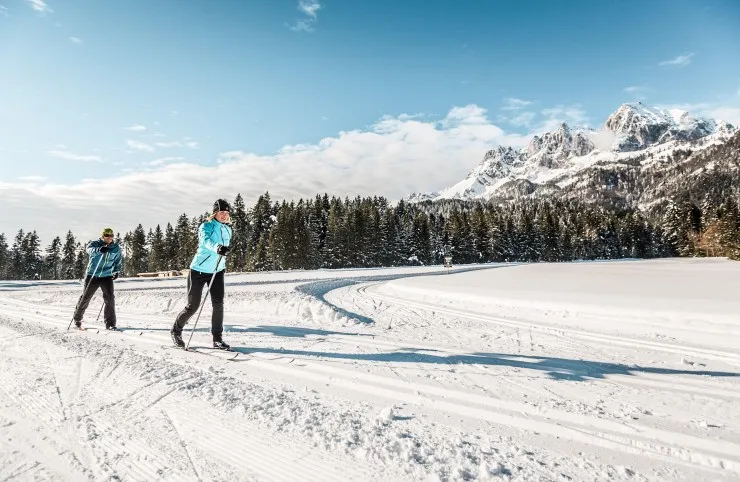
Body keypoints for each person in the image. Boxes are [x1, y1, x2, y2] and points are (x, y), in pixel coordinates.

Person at [171, 199, 233, 349]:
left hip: (217, 271)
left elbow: (223, 251)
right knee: (193, 306)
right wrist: (217, 247)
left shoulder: (228, 229)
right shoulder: (206, 226)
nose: (224, 215)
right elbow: (206, 241)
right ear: (215, 213)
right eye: (221, 212)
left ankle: (217, 339)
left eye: (226, 212)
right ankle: (176, 331)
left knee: (218, 305)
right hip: (198, 271)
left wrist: (222, 258)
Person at [72, 227, 122, 330]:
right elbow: (89, 250)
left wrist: (116, 271)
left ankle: (110, 324)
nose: (109, 238)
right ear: (102, 236)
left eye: (111, 236)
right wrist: (99, 250)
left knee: (110, 299)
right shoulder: (95, 244)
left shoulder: (115, 248)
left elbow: (118, 261)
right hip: (93, 274)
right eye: (107, 235)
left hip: (106, 275)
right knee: (85, 297)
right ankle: (77, 319)